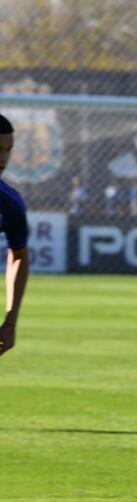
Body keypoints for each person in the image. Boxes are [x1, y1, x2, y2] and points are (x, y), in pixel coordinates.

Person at [0, 114, 29, 357]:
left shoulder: (9, 202)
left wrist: (10, 321)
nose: (3, 158)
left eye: (8, 150)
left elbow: (18, 255)